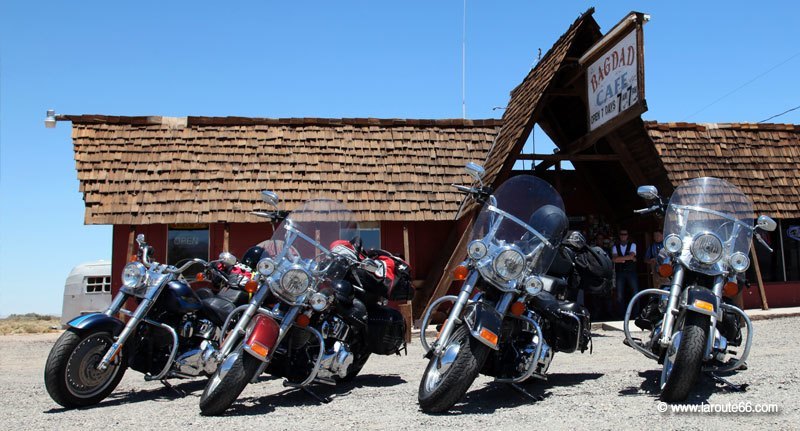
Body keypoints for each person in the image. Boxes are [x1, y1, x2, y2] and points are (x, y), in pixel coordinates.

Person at [612, 229, 638, 317]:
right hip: (620, 273)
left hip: (631, 272)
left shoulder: (633, 245)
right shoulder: (615, 247)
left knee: (635, 292)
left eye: (625, 234)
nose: (623, 236)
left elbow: (632, 255)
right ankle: (621, 315)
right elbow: (614, 259)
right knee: (620, 295)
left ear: (627, 235)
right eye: (621, 234)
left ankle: (635, 314)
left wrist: (621, 259)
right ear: (619, 236)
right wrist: (629, 258)